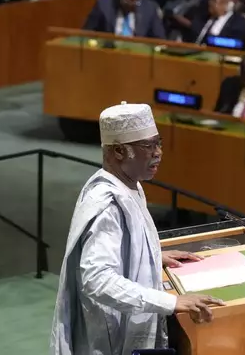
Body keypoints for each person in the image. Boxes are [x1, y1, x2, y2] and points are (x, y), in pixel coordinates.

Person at [51, 102, 225, 355]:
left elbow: (122, 244)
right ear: (120, 151)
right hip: (110, 339)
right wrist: (172, 301)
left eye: (159, 142)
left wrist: (152, 256)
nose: (159, 153)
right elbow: (97, 280)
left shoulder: (128, 183)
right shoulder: (107, 204)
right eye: (148, 146)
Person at [83, 0, 166, 39]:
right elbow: (87, 33)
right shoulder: (104, 6)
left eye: (136, 2)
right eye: (128, 2)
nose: (132, 5)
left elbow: (159, 38)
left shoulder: (150, 8)